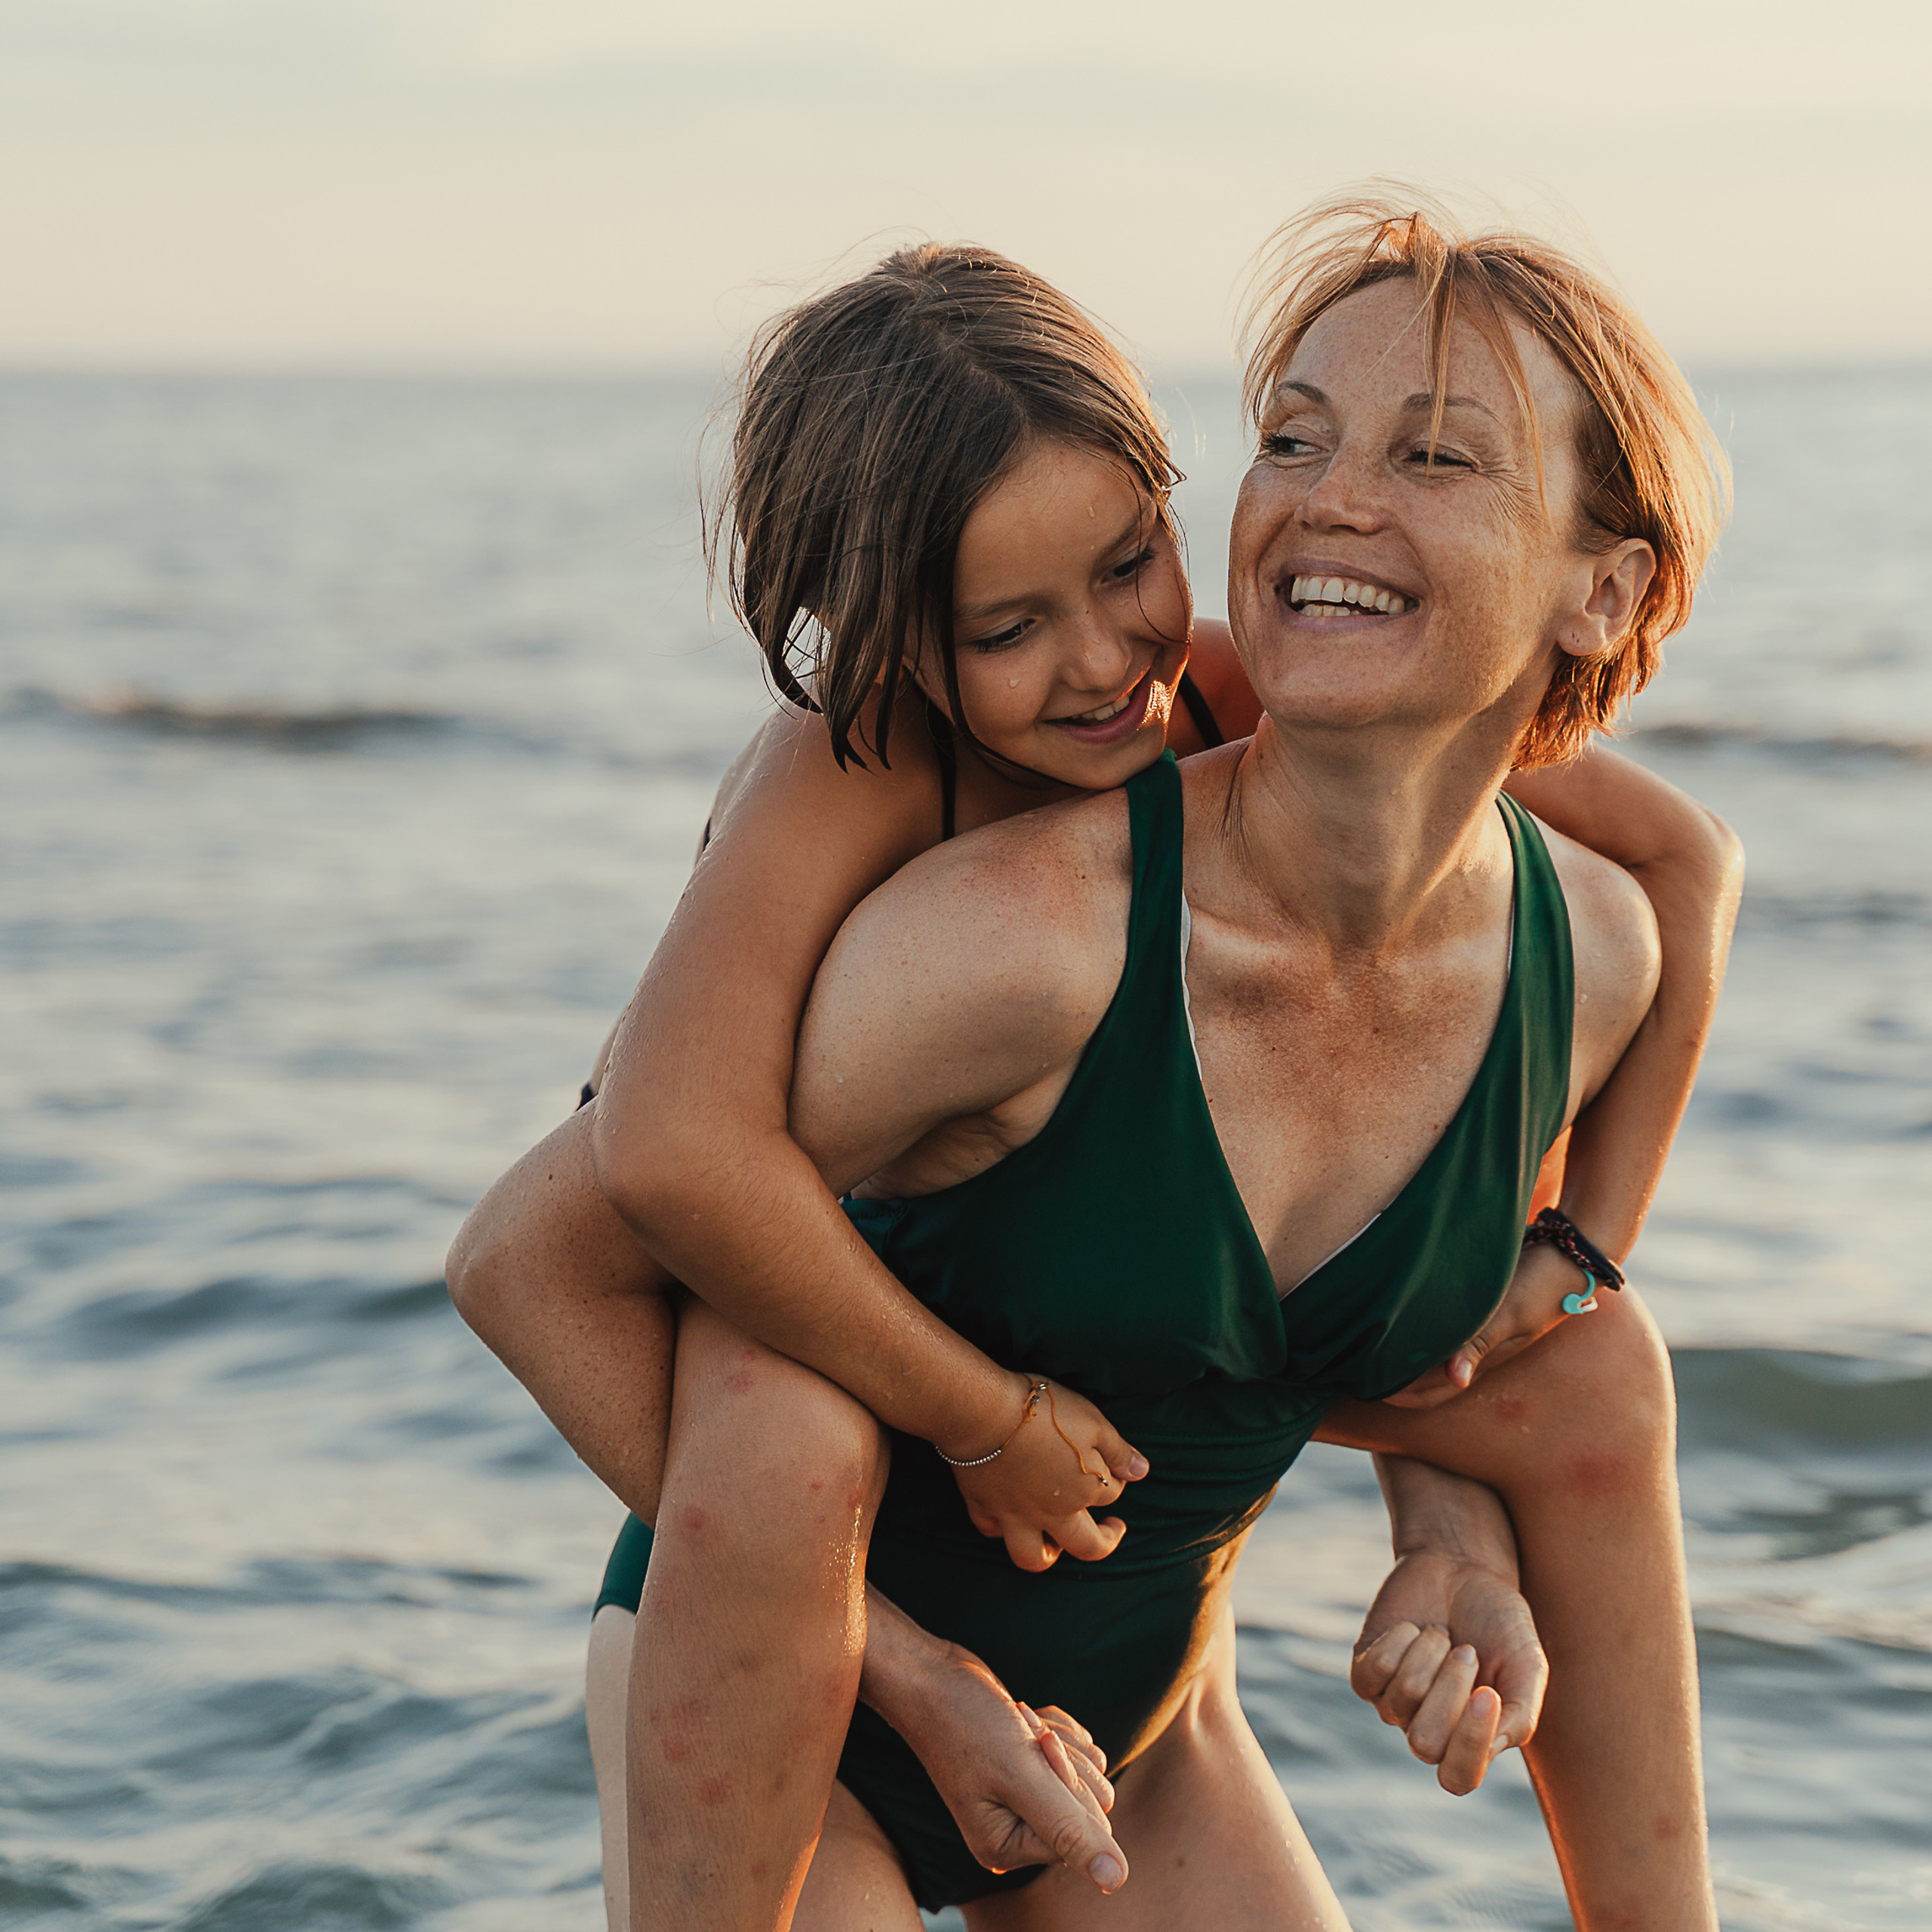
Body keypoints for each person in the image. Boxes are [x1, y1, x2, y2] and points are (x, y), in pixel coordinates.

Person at [449, 203, 1739, 1930]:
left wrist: (1478, 1479)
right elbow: (579, 1220)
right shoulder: (939, 881)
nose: (1102, 658)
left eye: (1431, 452)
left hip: (1143, 1714)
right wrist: (923, 1602)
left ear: (1607, 585)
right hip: (798, 1693)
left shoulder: (1327, 779)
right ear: (903, 646)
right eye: (1292, 435)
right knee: (786, 1403)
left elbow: (1670, 885)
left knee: (1594, 1366)